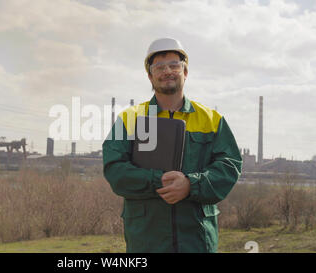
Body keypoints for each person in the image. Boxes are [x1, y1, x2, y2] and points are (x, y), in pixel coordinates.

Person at [102, 38, 242, 253]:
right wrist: (159, 182)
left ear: (185, 72)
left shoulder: (211, 120)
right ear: (150, 75)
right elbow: (115, 169)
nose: (167, 71)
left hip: (196, 240)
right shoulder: (129, 119)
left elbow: (229, 166)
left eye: (174, 65)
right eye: (159, 67)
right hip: (146, 241)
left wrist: (190, 185)